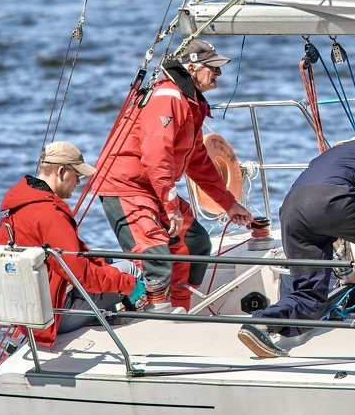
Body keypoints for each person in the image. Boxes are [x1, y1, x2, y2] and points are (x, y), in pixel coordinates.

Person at [95, 39, 254, 313]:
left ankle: (181, 307)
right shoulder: (168, 98)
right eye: (213, 68)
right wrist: (170, 206)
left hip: (152, 187)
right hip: (126, 187)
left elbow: (198, 162)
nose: (219, 74)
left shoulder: (189, 102)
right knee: (155, 252)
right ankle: (154, 309)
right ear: (191, 67)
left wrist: (229, 204)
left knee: (195, 243)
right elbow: (157, 157)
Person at [238, 114, 355, 358]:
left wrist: (346, 275)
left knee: (309, 296)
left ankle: (261, 323)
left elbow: (335, 226)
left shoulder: (336, 152)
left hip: (291, 211)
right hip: (332, 202)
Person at [0, 141, 144, 345]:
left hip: (27, 317)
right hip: (55, 318)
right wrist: (128, 284)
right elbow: (84, 275)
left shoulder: (18, 207)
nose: (79, 181)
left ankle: (116, 315)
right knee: (130, 269)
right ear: (61, 172)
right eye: (77, 175)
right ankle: (142, 331)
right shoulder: (51, 214)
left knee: (105, 260)